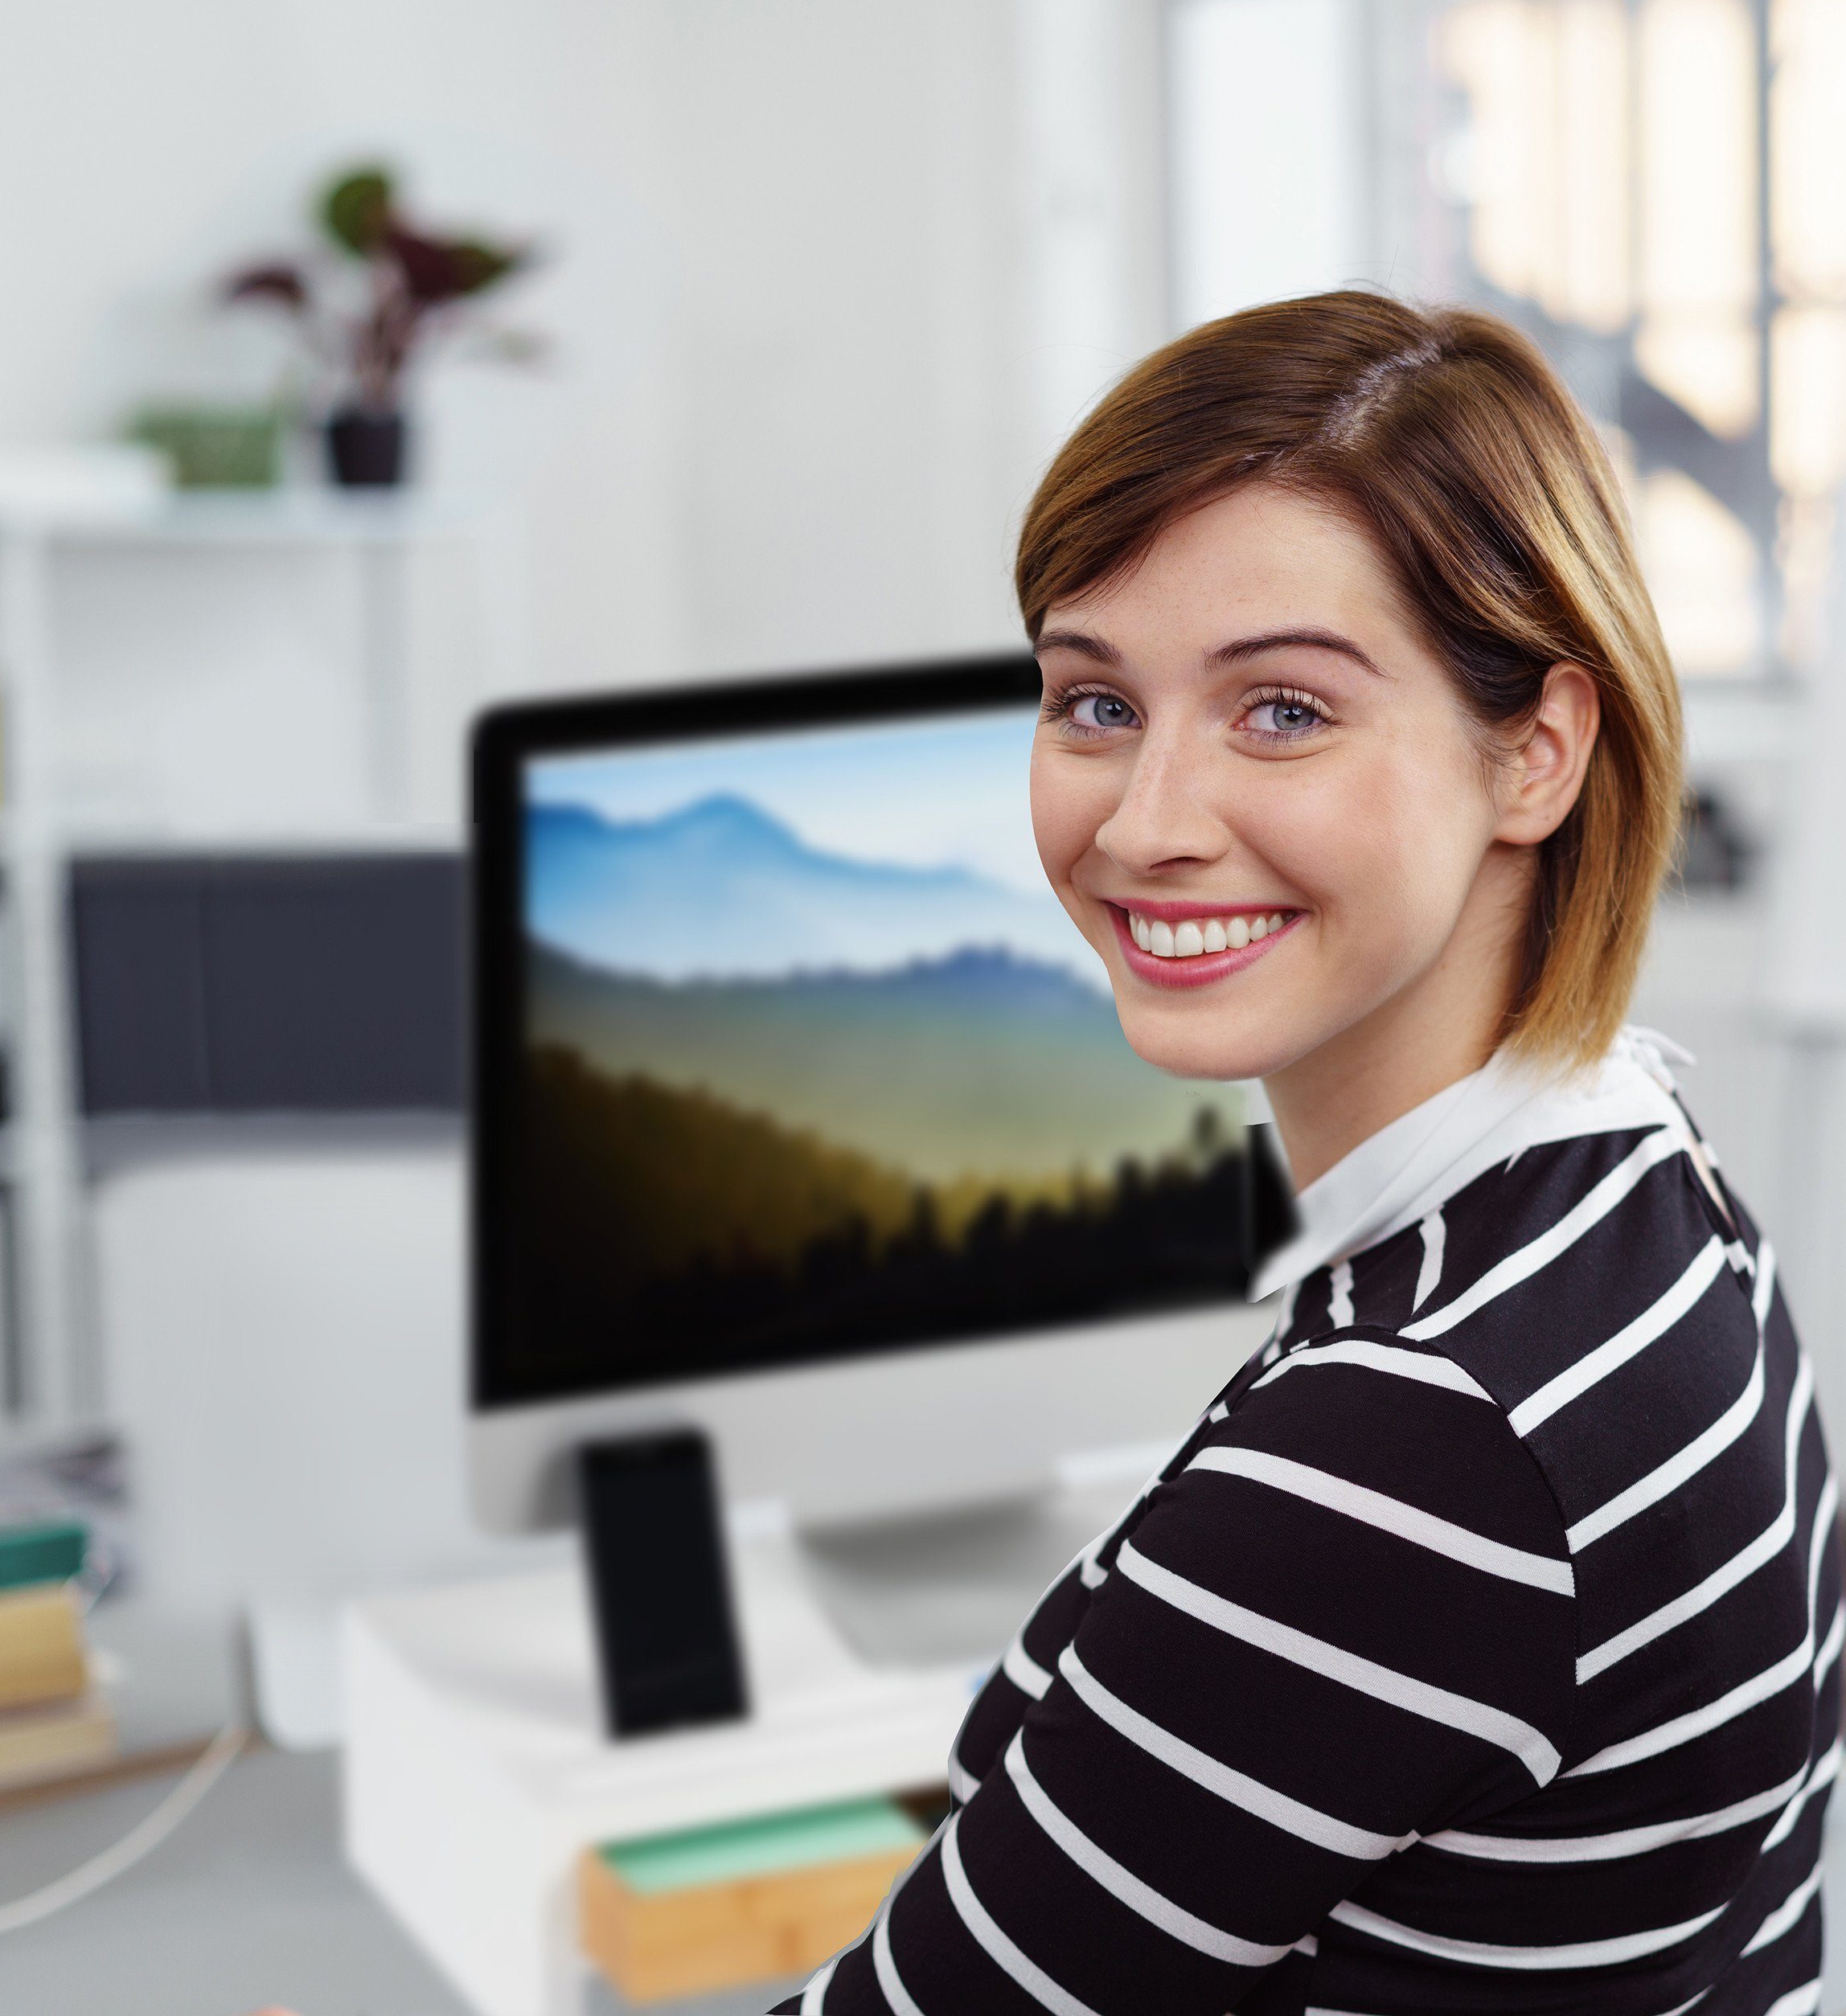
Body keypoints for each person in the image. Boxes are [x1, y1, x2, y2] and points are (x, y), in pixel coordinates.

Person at [773, 291, 1840, 2014]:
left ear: (1532, 750)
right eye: (1092, 701)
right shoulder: (1646, 1185)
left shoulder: (1413, 1446)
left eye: (1279, 710)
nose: (1143, 823)